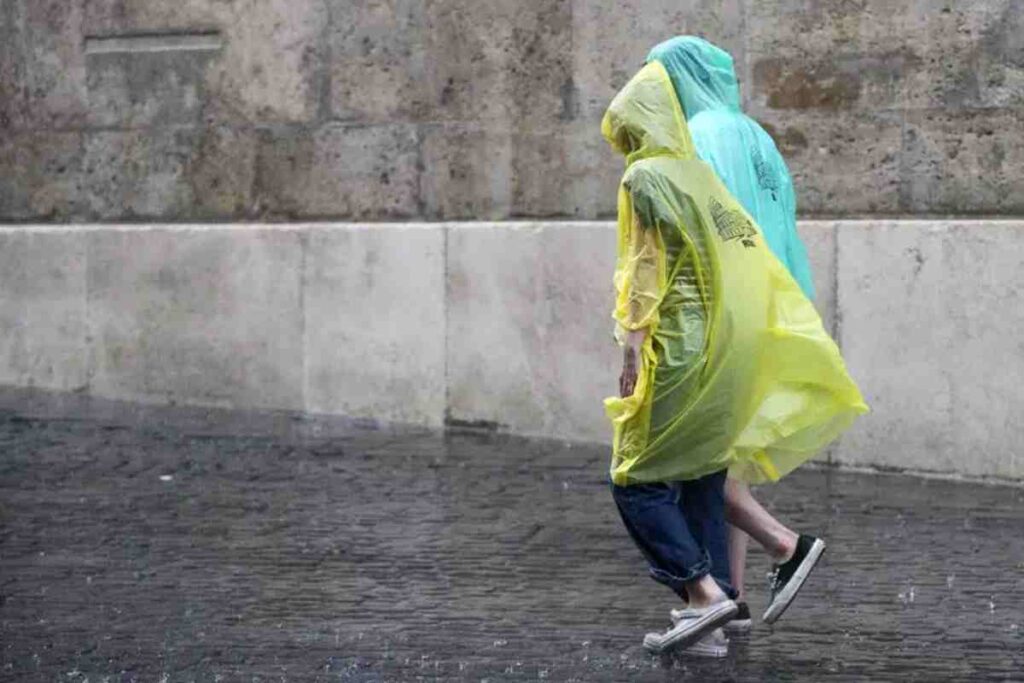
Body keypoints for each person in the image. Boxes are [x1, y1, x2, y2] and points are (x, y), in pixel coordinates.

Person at [602, 57, 866, 655]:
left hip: (680, 339)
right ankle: (716, 609)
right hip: (731, 334)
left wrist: (634, 337)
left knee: (635, 478)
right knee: (702, 472)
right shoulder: (705, 169)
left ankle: (705, 596)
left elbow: (643, 265)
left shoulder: (645, 177)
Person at [647, 35, 828, 629]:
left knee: (678, 457)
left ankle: (784, 544)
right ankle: (731, 600)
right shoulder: (754, 134)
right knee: (728, 461)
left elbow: (700, 231)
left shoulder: (699, 137)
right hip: (771, 303)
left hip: (722, 312)